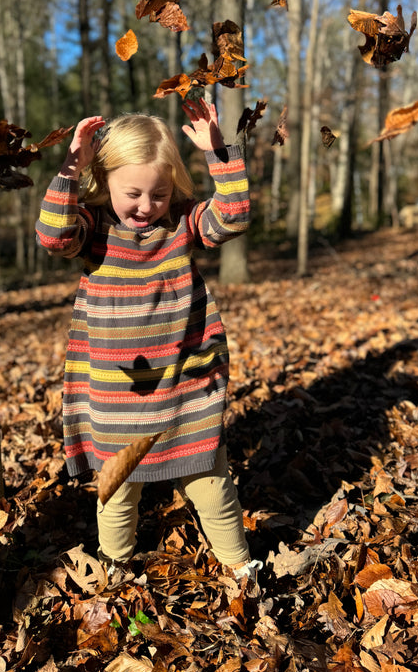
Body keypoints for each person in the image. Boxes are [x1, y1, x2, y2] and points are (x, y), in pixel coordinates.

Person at [35, 98, 261, 586]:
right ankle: (115, 570)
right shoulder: (94, 230)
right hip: (116, 394)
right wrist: (72, 165)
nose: (145, 206)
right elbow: (53, 236)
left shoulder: (179, 224)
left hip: (185, 378)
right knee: (118, 490)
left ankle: (241, 568)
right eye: (132, 192)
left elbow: (234, 217)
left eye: (158, 193)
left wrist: (219, 152)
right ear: (106, 182)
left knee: (208, 479)